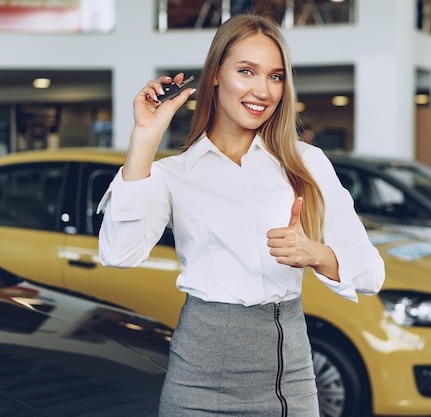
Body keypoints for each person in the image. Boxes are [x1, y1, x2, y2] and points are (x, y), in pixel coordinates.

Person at [97, 14, 385, 417]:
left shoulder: (306, 163)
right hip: (196, 377)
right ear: (215, 74)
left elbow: (371, 273)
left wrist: (315, 253)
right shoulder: (172, 175)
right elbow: (118, 253)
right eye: (246, 71)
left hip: (288, 377)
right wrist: (145, 136)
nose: (262, 90)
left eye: (275, 77)